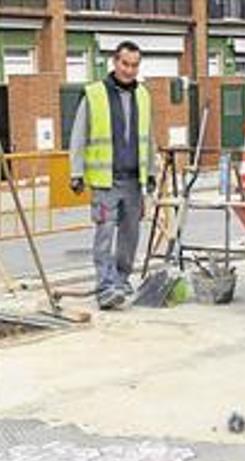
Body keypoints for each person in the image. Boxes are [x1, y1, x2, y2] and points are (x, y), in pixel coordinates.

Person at [69, 41, 156, 310]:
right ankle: (105, 286)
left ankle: (120, 280)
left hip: (133, 181)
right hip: (106, 181)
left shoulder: (143, 95)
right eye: (125, 64)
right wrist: (76, 172)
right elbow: (78, 136)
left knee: (130, 236)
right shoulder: (94, 94)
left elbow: (149, 138)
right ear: (114, 63)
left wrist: (151, 172)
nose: (129, 70)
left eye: (134, 65)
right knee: (105, 234)